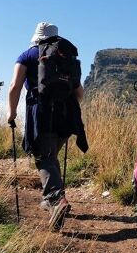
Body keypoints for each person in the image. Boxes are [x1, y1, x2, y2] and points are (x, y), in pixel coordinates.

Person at [8, 21, 88, 230]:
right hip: (66, 113)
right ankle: (49, 199)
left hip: (41, 111)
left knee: (45, 157)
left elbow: (14, 86)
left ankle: (55, 200)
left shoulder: (27, 55)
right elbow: (79, 94)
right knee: (51, 156)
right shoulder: (66, 56)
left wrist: (11, 112)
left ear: (36, 37)